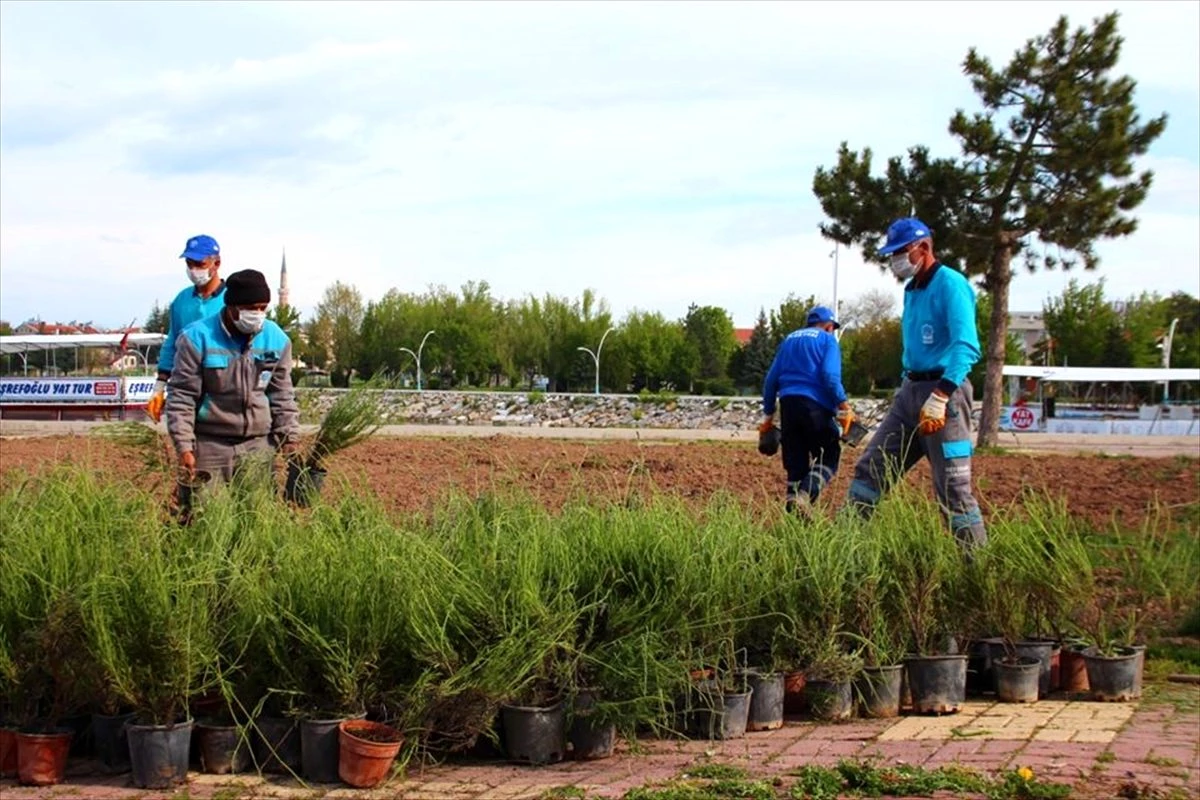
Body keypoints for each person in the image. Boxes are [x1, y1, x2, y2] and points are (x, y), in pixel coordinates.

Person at [846, 217, 987, 549]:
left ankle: (976, 569)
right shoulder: (912, 290)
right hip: (910, 394)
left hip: (944, 397)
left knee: (953, 487)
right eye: (891, 254)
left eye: (900, 252)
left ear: (923, 248)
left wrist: (941, 395)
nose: (894, 261)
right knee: (871, 468)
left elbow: (966, 346)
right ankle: (844, 547)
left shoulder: (951, 284)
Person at [165, 269, 300, 490]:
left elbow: (282, 394)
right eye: (250, 308)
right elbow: (182, 397)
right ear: (231, 307)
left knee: (257, 516)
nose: (257, 314)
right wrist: (184, 447)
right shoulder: (197, 338)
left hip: (259, 446)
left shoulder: (277, 339)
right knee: (207, 515)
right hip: (210, 445)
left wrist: (290, 439)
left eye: (262, 308)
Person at [760, 305, 856, 516]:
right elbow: (830, 377)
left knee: (796, 466)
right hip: (816, 407)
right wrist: (844, 406)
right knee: (829, 455)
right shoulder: (828, 340)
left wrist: (768, 417)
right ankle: (804, 495)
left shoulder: (789, 340)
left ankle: (795, 527)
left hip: (788, 407)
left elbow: (770, 381)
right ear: (829, 326)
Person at [146, 234, 227, 422]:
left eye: (200, 264)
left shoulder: (231, 301)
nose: (193, 269)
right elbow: (172, 342)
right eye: (190, 264)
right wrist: (160, 385)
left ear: (216, 264)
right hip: (186, 385)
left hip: (222, 388)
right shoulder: (181, 301)